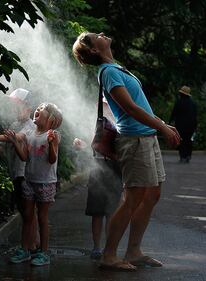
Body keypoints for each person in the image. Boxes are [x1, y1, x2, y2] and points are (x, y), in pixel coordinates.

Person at [72, 32, 180, 271]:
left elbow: (139, 104)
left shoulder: (116, 68)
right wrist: (161, 126)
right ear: (93, 50)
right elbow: (129, 108)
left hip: (147, 137)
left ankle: (133, 251)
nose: (101, 34)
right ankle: (109, 255)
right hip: (135, 140)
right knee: (133, 198)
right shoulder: (108, 72)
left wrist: (161, 123)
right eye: (94, 35)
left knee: (152, 196)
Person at [5, 102, 63, 266]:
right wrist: (15, 142)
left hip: (45, 183)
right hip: (29, 181)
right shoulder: (30, 134)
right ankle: (25, 249)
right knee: (28, 216)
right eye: (37, 108)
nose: (37, 110)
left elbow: (52, 159)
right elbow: (24, 157)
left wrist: (51, 144)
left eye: (41, 110)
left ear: (51, 119)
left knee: (42, 217)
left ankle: (44, 253)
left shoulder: (52, 136)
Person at [0, 88, 39, 252]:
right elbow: (5, 147)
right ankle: (34, 242)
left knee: (28, 212)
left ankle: (30, 245)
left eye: (19, 106)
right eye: (14, 106)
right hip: (16, 175)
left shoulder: (30, 126)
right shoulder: (15, 124)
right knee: (24, 211)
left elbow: (17, 137)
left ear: (28, 108)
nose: (15, 109)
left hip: (24, 175)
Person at [72, 102, 123, 261]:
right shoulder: (95, 124)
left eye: (106, 105)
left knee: (111, 212)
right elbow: (90, 145)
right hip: (97, 169)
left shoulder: (119, 125)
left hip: (114, 170)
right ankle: (96, 247)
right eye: (101, 105)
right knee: (97, 212)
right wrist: (80, 145)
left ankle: (109, 247)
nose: (103, 108)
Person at [169, 85, 198, 163]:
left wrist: (169, 122)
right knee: (188, 140)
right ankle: (188, 155)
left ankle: (182, 156)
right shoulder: (193, 103)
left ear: (182, 94)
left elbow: (173, 114)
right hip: (191, 126)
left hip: (180, 125)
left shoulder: (179, 102)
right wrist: (195, 126)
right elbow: (195, 116)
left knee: (181, 141)